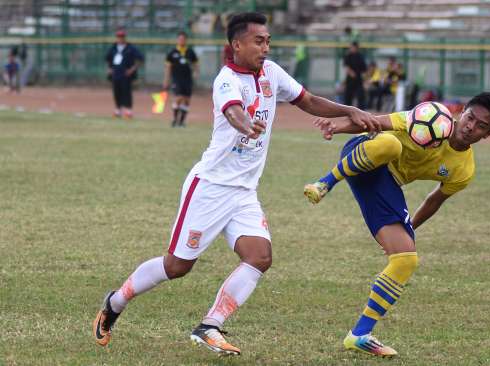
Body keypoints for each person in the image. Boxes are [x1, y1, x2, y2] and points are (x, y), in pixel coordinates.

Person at [93, 12, 379, 356]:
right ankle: (115, 302)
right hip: (210, 187)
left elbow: (308, 100)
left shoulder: (271, 73)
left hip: (244, 191)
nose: (265, 47)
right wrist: (245, 124)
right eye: (259, 41)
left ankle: (209, 326)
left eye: (268, 41)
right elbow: (232, 111)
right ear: (237, 44)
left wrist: (351, 110)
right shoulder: (226, 79)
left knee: (260, 256)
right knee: (177, 266)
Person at [303, 92, 490, 358]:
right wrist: (338, 126)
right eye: (470, 117)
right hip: (363, 152)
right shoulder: (431, 116)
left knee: (405, 258)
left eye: (481, 126)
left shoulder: (464, 170)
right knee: (391, 145)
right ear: (461, 112)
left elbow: (434, 201)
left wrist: (409, 231)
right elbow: (377, 122)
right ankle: (324, 182)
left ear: (487, 134)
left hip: (384, 184)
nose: (471, 127)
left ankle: (359, 334)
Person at [163, 31, 199, 127]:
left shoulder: (190, 52)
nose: (181, 41)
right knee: (178, 98)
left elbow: (196, 63)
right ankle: (175, 119)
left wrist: (196, 72)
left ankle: (181, 122)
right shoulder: (172, 52)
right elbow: (168, 67)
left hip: (188, 79)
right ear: (177, 40)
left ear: (186, 40)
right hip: (176, 79)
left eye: (183, 39)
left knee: (187, 100)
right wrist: (166, 80)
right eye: (180, 39)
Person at [105, 29, 143, 119]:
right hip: (116, 74)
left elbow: (140, 58)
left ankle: (128, 111)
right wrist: (109, 69)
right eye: (118, 37)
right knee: (116, 92)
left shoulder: (130, 48)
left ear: (124, 37)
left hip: (126, 75)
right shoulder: (113, 48)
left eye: (122, 37)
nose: (120, 39)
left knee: (126, 92)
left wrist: (132, 69)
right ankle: (117, 110)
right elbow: (108, 59)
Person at [343, 41, 367, 109]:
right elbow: (347, 67)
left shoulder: (360, 56)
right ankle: (347, 111)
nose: (350, 48)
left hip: (359, 80)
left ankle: (361, 111)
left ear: (356, 48)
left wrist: (365, 80)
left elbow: (364, 69)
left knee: (361, 96)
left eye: (352, 47)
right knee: (348, 96)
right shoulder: (348, 56)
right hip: (350, 80)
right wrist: (351, 73)